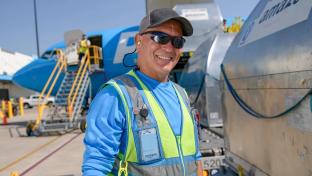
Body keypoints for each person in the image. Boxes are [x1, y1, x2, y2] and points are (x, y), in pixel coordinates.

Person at [82, 8, 202, 176]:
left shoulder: (181, 94)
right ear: (139, 41)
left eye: (177, 42)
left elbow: (196, 157)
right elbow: (97, 166)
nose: (169, 48)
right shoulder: (115, 95)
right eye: (160, 38)